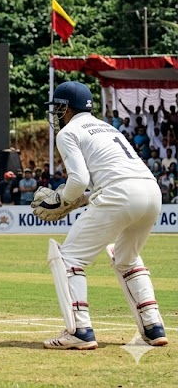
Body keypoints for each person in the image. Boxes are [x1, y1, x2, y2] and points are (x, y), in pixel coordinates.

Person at [34, 81, 168, 349]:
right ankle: (153, 326)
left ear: (66, 108)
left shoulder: (69, 132)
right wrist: (78, 200)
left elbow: (79, 180)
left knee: (69, 258)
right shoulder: (108, 128)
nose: (57, 115)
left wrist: (61, 200)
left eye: (58, 108)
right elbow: (105, 179)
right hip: (151, 192)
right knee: (127, 259)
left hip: (119, 194)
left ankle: (80, 331)